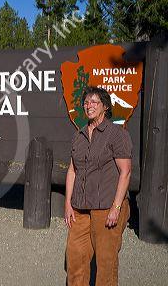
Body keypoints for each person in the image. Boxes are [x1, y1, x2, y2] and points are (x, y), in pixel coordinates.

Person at [64, 86, 132, 286]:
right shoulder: (80, 135)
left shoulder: (116, 134)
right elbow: (72, 171)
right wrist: (68, 203)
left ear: (105, 107)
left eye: (94, 102)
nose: (89, 105)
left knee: (105, 263)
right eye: (86, 102)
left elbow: (125, 172)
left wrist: (116, 207)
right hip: (80, 207)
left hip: (107, 207)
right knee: (75, 258)